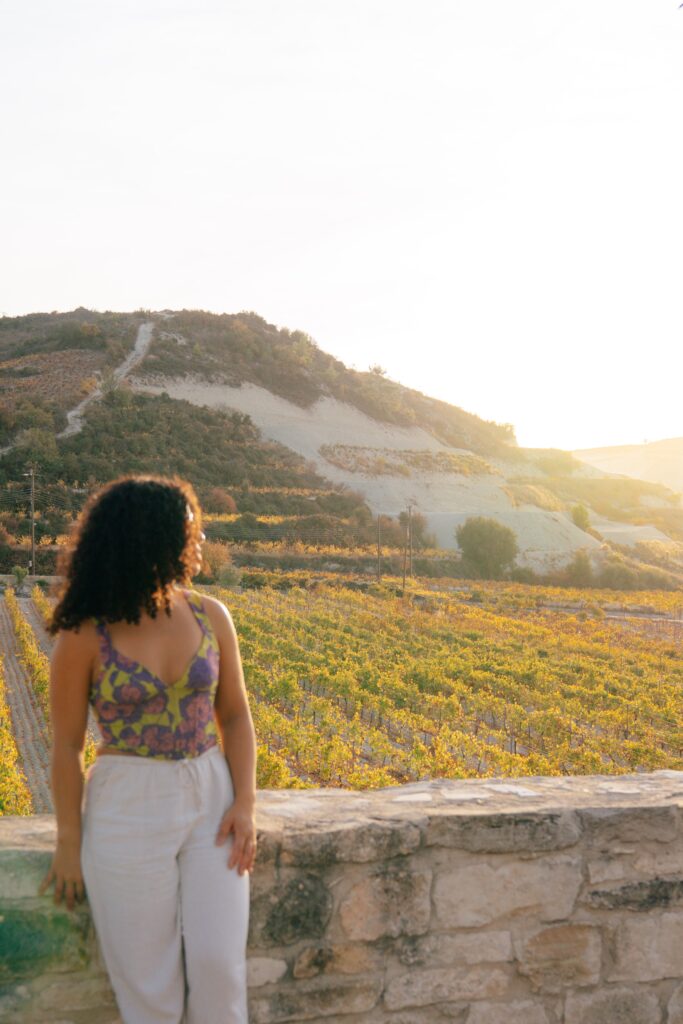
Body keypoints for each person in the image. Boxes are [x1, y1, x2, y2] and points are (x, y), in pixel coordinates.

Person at [38, 473, 257, 1024]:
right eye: (190, 529)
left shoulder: (211, 615)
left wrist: (245, 802)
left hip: (211, 794)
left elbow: (234, 715)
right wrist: (69, 839)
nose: (201, 539)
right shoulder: (85, 636)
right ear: (149, 539)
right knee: (148, 988)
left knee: (220, 969)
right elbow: (65, 748)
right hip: (127, 804)